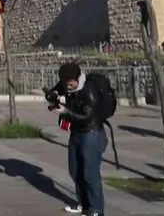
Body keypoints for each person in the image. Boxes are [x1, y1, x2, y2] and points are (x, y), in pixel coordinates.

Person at [51, 63, 108, 216]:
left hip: (91, 134)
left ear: (77, 79)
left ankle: (97, 210)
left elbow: (86, 117)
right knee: (75, 171)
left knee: (90, 174)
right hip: (76, 133)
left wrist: (66, 112)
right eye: (65, 84)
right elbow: (54, 92)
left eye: (70, 84)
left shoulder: (89, 90)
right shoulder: (65, 84)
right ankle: (84, 205)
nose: (67, 87)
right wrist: (53, 98)